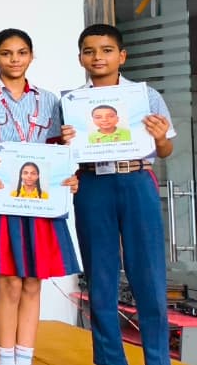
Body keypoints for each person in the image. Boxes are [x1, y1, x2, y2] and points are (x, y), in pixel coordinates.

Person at [0, 28, 80, 365]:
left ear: (31, 56)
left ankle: (25, 358)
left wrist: (68, 176)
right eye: (6, 53)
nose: (14, 59)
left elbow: (58, 150)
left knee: (32, 282)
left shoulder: (49, 100)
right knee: (10, 282)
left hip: (40, 202)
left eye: (21, 52)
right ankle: (5, 358)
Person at [65, 23, 175, 365]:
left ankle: (157, 359)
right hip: (92, 184)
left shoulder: (145, 96)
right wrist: (66, 142)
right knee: (100, 276)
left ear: (122, 56)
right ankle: (109, 359)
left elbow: (166, 150)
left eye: (107, 50)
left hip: (136, 179)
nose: (98, 57)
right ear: (81, 58)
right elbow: (63, 156)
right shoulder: (71, 101)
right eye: (89, 51)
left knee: (149, 274)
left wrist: (160, 137)